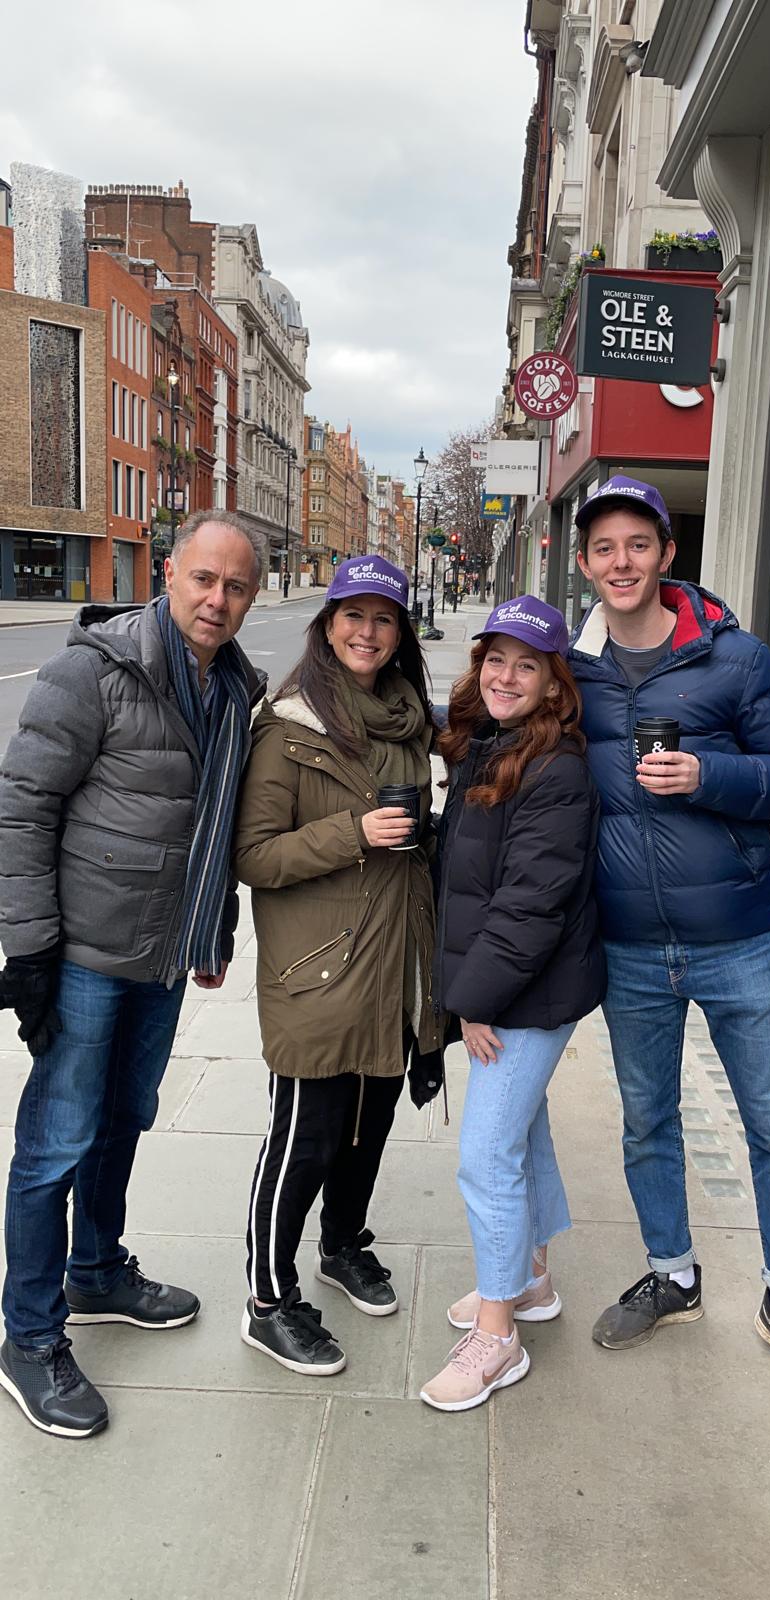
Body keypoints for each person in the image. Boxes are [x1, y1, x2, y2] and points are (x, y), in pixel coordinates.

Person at [568, 474, 770, 1415]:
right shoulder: (574, 669)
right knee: (648, 1123)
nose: (621, 563)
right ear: (585, 563)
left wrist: (707, 774)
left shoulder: (732, 656)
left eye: (636, 545)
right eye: (604, 548)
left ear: (665, 554)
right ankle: (673, 1274)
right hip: (630, 946)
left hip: (739, 940)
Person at [0, 511, 266, 1439]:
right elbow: (22, 806)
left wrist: (211, 928)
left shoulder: (234, 687)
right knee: (56, 1141)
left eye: (236, 586)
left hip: (162, 952)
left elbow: (214, 823)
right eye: (204, 579)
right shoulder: (94, 670)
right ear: (170, 574)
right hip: (82, 953)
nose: (217, 599)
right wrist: (29, 950)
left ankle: (98, 1271)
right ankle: (29, 1335)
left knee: (125, 1118)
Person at [233, 554, 441, 1377]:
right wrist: (352, 833)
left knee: (370, 1125)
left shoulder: (408, 719)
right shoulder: (286, 728)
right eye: (353, 615)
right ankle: (267, 1300)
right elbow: (254, 856)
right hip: (319, 969)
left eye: (383, 618)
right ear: (326, 627)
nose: (367, 631)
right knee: (306, 1139)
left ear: (400, 634)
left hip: (395, 963)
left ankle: (343, 1243)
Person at [420, 597, 605, 1413]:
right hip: (514, 985)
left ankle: (498, 1337)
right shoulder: (490, 744)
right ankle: (529, 1279)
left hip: (525, 993)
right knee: (523, 1132)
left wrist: (471, 1003)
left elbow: (531, 906)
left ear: (554, 684)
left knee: (487, 1155)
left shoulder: (554, 769)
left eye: (526, 665)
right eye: (495, 659)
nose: (506, 676)